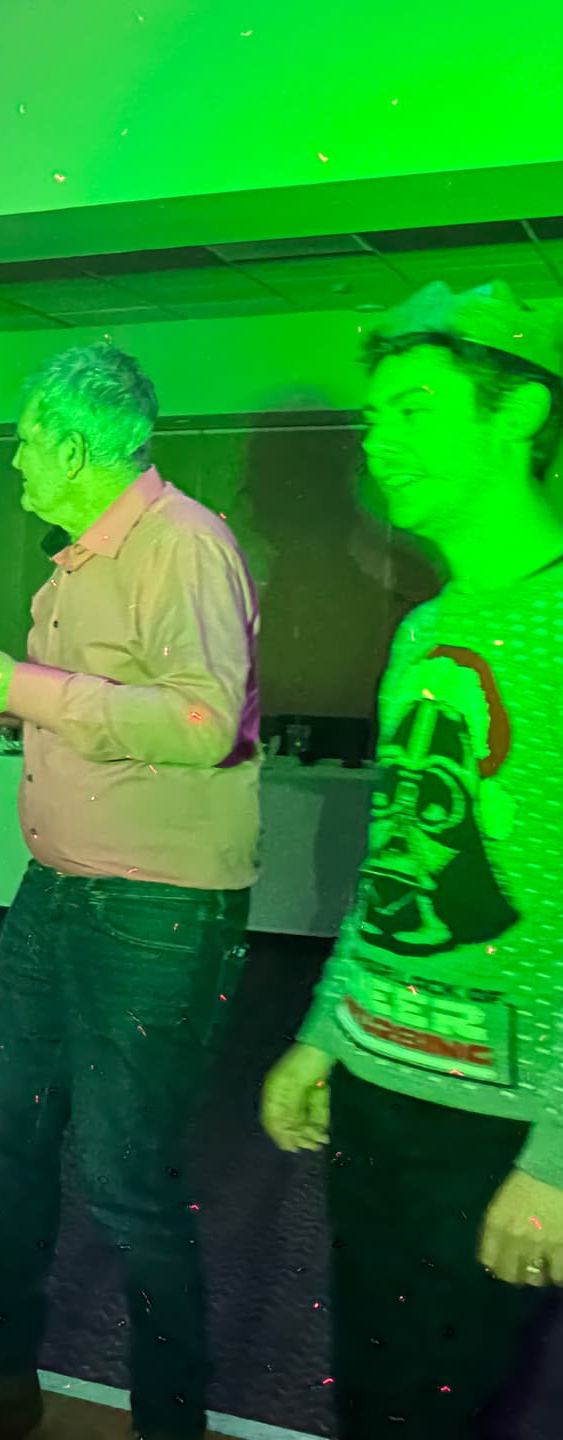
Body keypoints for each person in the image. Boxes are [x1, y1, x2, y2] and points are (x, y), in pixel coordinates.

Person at [0, 343, 262, 1440]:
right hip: (59, 893)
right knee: (10, 1138)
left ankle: (170, 1423)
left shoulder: (182, 545)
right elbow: (68, 704)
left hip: (155, 908)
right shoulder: (79, 561)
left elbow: (203, 722)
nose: (16, 460)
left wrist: (25, 682)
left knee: (129, 1179)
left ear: (78, 449)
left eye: (29, 440)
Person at [260, 281, 563, 1440]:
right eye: (375, 415)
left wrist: (558, 1157)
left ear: (519, 413)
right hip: (379, 1088)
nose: (380, 441)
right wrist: (325, 1034)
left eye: (416, 409)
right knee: (376, 1392)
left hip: (502, 1124)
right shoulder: (426, 628)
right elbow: (395, 868)